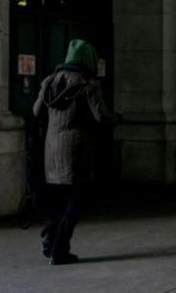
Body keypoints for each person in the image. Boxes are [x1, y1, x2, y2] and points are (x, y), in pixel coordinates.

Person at [32, 39, 121, 265]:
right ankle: (59, 249)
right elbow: (101, 116)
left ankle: (50, 237)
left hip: (51, 150)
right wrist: (118, 118)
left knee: (60, 201)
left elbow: (36, 111)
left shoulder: (49, 82)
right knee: (78, 200)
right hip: (76, 150)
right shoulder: (88, 84)